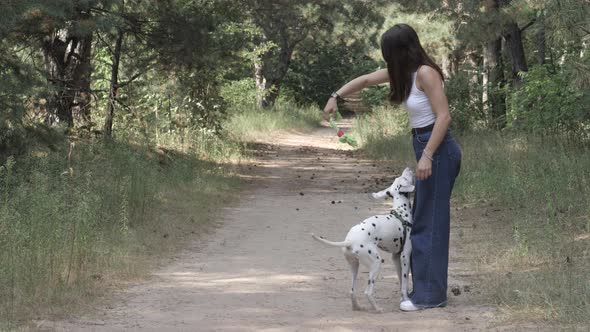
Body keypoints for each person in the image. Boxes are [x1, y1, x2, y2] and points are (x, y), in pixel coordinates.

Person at [323, 23, 462, 312]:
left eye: (389, 54)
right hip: (424, 144)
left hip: (439, 149)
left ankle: (430, 296)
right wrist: (335, 97)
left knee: (430, 223)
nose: (387, 62)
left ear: (402, 51)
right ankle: (423, 289)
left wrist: (427, 156)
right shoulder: (404, 73)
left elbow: (444, 117)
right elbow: (363, 81)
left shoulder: (425, 73)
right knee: (422, 221)